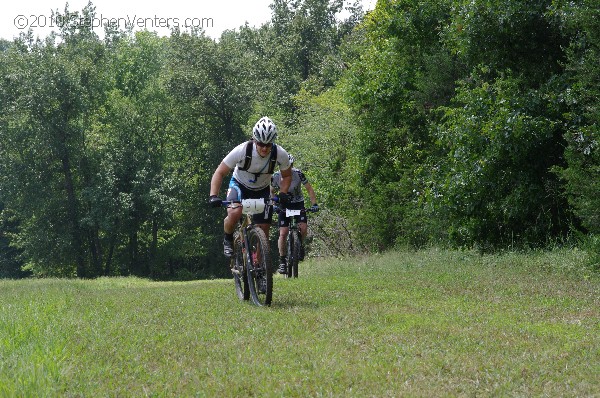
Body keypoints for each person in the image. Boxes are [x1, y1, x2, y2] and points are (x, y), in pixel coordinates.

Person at [209, 116, 292, 258]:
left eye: (268, 144)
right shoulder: (242, 150)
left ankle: (260, 267)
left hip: (262, 190)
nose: (265, 148)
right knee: (234, 213)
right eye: (261, 144)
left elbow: (287, 175)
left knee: (264, 229)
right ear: (254, 140)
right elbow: (220, 172)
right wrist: (213, 196)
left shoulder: (280, 153)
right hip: (239, 186)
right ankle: (228, 238)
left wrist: (283, 192)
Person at [271, 153, 319, 273]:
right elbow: (270, 192)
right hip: (283, 205)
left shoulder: (298, 174)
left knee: (303, 227)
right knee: (283, 233)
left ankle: (299, 245)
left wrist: (314, 204)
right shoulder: (276, 176)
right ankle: (282, 261)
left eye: (290, 165)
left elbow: (309, 189)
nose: (288, 167)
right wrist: (274, 205)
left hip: (298, 203)